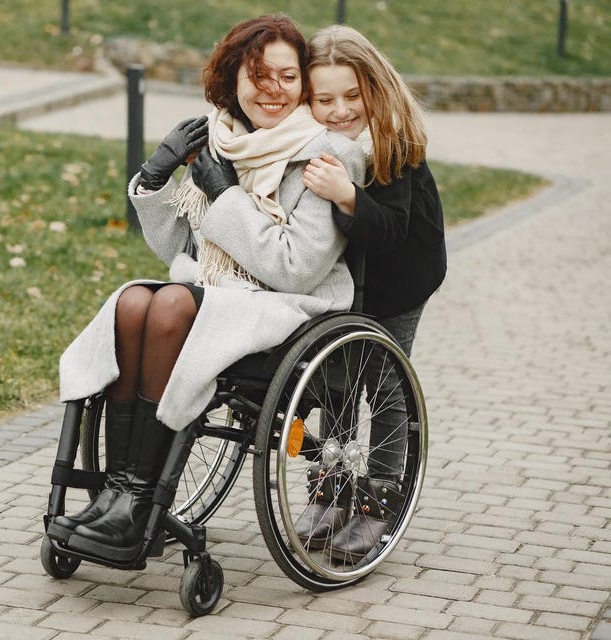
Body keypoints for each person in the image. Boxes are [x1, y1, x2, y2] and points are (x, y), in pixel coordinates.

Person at [49, 14, 367, 564]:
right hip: (221, 296)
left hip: (290, 307)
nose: (271, 89)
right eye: (257, 75)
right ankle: (118, 494)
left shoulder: (326, 152)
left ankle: (138, 502)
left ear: (304, 86)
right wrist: (155, 175)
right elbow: (184, 248)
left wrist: (226, 199)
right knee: (132, 302)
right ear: (232, 80)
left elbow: (296, 268)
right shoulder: (220, 139)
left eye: (287, 78)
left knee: (171, 300)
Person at [296, 24, 447, 558]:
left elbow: (389, 230)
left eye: (352, 96)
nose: (340, 109)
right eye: (325, 99)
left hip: (402, 273)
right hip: (348, 278)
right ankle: (331, 488)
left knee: (383, 382)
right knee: (338, 379)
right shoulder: (309, 138)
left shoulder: (391, 140)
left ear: (373, 90)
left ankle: (377, 502)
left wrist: (348, 196)